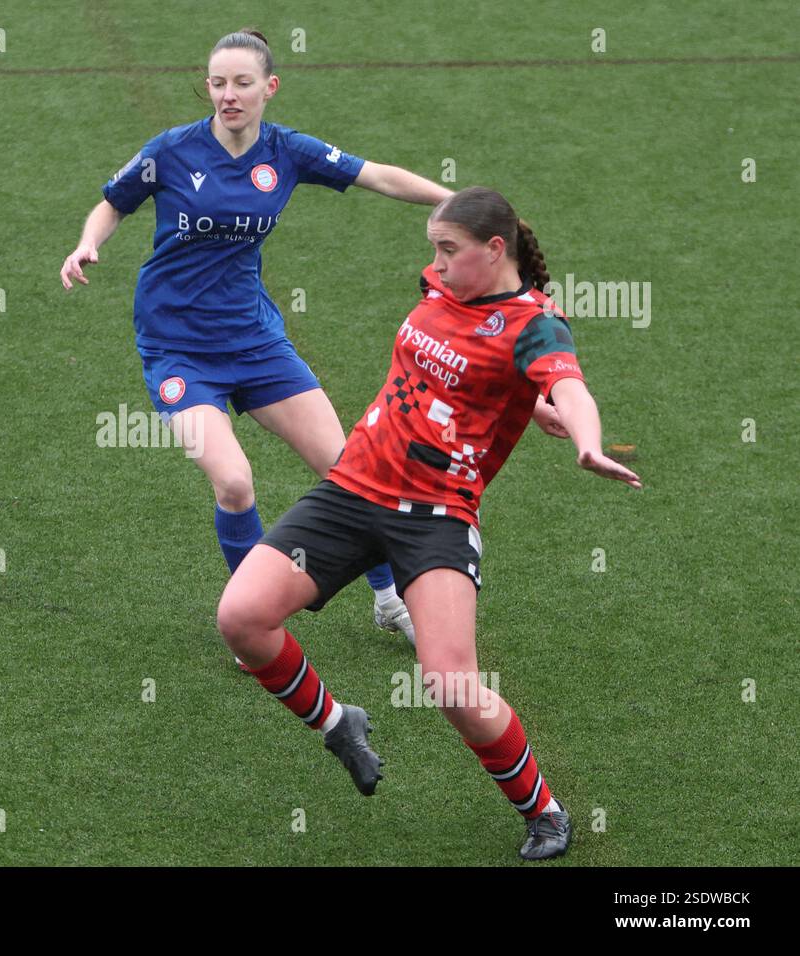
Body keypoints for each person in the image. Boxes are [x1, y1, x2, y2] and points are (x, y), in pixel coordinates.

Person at [215, 186, 642, 860]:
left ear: (494, 250)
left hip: (436, 518)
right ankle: (338, 723)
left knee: (450, 684)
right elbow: (466, 370)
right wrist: (524, 403)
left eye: (449, 250)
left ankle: (545, 812)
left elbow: (568, 384)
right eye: (433, 250)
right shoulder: (442, 287)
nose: (435, 266)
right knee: (242, 617)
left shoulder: (536, 323)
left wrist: (584, 438)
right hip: (353, 490)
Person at [61, 28, 454, 651]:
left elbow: (376, 175)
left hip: (254, 341)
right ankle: (251, 624)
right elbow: (114, 201)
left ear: (269, 87)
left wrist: (457, 202)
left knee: (351, 469)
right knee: (235, 481)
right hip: (176, 347)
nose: (228, 95)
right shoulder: (173, 150)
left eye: (242, 83)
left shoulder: (287, 151)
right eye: (218, 83)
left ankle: (387, 599)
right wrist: (89, 243)